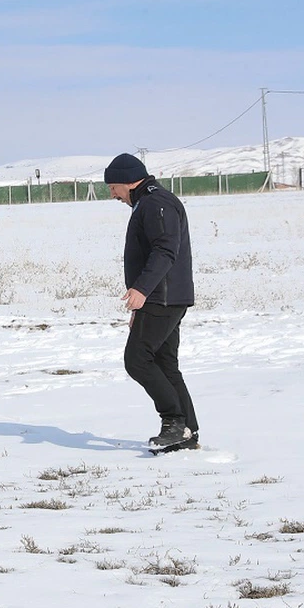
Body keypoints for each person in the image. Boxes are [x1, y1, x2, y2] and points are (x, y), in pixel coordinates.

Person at [104, 153, 199, 453]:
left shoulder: (156, 203)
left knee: (137, 360)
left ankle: (173, 422)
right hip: (164, 297)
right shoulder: (150, 202)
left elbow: (165, 250)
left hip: (162, 296)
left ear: (129, 181)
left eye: (113, 187)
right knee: (165, 363)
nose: (113, 195)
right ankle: (186, 431)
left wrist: (142, 290)